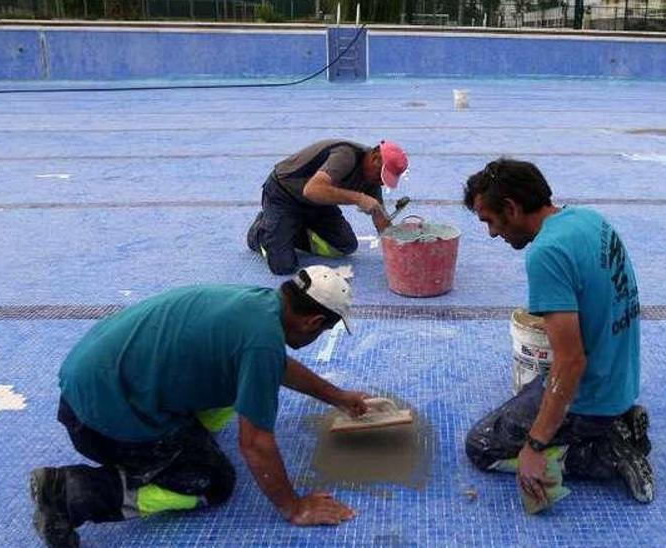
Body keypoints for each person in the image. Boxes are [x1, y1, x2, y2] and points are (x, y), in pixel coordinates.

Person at [30, 266, 368, 547]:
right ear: (313, 322)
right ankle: (70, 493)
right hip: (99, 423)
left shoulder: (260, 304)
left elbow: (273, 364)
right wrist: (294, 507)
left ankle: (178, 441)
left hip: (93, 383)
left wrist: (338, 397)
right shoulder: (260, 343)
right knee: (213, 481)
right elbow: (255, 444)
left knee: (235, 390)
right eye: (325, 330)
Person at [461, 158, 654, 508]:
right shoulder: (587, 219)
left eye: (489, 221)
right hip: (620, 380)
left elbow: (570, 362)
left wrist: (535, 445)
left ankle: (607, 452)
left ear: (511, 208)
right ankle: (619, 420)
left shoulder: (546, 253)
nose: (491, 234)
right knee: (534, 388)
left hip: (592, 395)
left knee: (482, 445)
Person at [247, 139, 409, 275]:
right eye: (382, 175)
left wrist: (400, 253)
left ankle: (290, 228)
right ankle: (260, 231)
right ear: (374, 157)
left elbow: (381, 221)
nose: (382, 182)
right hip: (284, 195)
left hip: (318, 203)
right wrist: (359, 198)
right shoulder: (346, 156)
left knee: (346, 245)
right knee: (283, 266)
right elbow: (312, 189)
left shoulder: (372, 181)